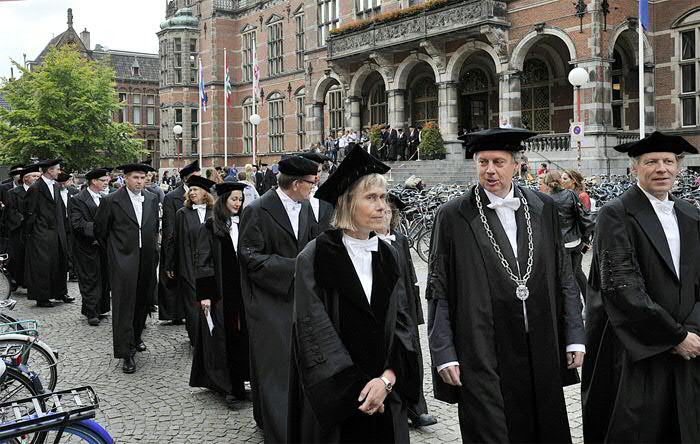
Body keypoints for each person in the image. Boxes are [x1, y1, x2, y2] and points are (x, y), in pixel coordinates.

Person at [427, 127, 585, 442]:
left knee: (545, 427)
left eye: (498, 162)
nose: (490, 170)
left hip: (539, 341)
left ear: (516, 164)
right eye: (482, 161)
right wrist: (444, 351)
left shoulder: (544, 207)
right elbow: (438, 287)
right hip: (483, 346)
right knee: (493, 430)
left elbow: (563, 275)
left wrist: (575, 336)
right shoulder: (453, 216)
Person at [288, 146, 419, 443]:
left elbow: (403, 324)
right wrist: (362, 389)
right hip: (339, 402)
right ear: (347, 203)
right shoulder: (316, 256)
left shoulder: (388, 254)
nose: (382, 206)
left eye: (383, 197)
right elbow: (313, 333)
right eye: (371, 198)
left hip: (387, 392)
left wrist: (386, 380)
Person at [582, 131, 700, 443]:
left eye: (668, 161)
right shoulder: (616, 214)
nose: (661, 168)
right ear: (636, 168)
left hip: (689, 345)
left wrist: (693, 331)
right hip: (637, 346)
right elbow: (621, 288)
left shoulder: (690, 214)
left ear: (678, 167)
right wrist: (674, 336)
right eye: (651, 162)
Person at [238, 155, 319, 442]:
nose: (315, 185)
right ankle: (280, 432)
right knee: (275, 366)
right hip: (267, 300)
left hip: (299, 298)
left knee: (293, 362)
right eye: (311, 182)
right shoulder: (258, 209)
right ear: (296, 184)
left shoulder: (307, 207)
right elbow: (248, 256)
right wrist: (293, 267)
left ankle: (272, 416)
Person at [377, 193, 437, 428]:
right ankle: (393, 405)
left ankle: (417, 408)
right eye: (381, 211)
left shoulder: (400, 239)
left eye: (389, 212)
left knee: (413, 358)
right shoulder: (368, 241)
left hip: (406, 308)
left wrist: (416, 313)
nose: (384, 215)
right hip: (385, 312)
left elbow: (411, 276)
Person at [95, 163, 160, 374]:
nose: (140, 181)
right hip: (123, 260)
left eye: (143, 177)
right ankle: (126, 352)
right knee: (124, 305)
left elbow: (153, 227)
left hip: (147, 258)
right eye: (135, 177)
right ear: (125, 178)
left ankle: (136, 336)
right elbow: (100, 231)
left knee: (143, 301)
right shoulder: (111, 201)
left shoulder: (152, 198)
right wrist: (117, 253)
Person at [192, 181, 250, 406]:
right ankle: (228, 389)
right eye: (234, 199)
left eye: (241, 199)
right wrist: (205, 295)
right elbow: (203, 261)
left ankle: (241, 383)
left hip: (242, 292)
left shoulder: (245, 222)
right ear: (224, 200)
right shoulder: (210, 227)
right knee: (223, 339)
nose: (238, 203)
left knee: (242, 337)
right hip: (221, 293)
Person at [166, 175, 216, 346]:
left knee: (211, 302)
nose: (192, 192)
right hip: (188, 264)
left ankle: (211, 337)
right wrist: (170, 264)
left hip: (210, 266)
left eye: (195, 189)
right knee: (192, 304)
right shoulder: (182, 214)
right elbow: (174, 239)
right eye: (191, 190)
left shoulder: (214, 212)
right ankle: (196, 340)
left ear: (205, 192)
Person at [24, 158, 73, 307]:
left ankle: (60, 292)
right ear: (49, 171)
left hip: (57, 231)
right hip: (41, 232)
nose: (59, 171)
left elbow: (59, 210)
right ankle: (42, 297)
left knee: (60, 262)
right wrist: (33, 232)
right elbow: (30, 212)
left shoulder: (57, 186)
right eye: (57, 169)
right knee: (43, 266)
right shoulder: (36, 188)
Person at [159, 160, 201, 325]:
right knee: (174, 282)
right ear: (185, 179)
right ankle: (175, 313)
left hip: (196, 246)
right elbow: (169, 227)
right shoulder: (172, 197)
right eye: (194, 177)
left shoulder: (203, 194)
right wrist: (171, 253)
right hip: (178, 245)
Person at [542, 172, 594, 301]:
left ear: (548, 185)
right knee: (575, 273)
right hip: (575, 242)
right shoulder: (570, 195)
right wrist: (585, 240)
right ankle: (587, 304)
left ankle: (578, 306)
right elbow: (583, 217)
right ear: (559, 181)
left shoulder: (547, 200)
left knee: (569, 278)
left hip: (561, 245)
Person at [69, 168, 112, 326]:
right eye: (103, 180)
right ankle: (91, 312)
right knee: (89, 279)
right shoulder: (78, 199)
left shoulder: (105, 197)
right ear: (94, 181)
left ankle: (100, 308)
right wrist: (98, 231)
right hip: (86, 247)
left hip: (103, 246)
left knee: (103, 278)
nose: (107, 183)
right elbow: (77, 224)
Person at [4, 164, 41, 290]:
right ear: (25, 178)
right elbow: (10, 211)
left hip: (36, 230)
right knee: (18, 257)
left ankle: (30, 281)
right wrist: (23, 220)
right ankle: (15, 280)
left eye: (38, 176)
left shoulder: (40, 192)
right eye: (34, 176)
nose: (37, 178)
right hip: (19, 230)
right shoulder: (13, 193)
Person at [299, 152, 334, 232]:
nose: (316, 176)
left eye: (319, 171)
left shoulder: (327, 194)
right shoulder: (295, 196)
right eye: (312, 171)